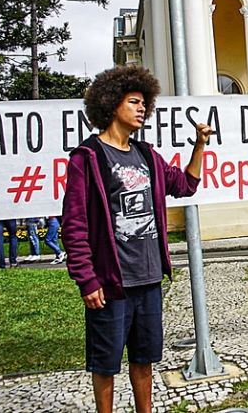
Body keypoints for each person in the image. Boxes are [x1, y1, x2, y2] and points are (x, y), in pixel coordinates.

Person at [61, 66, 211, 413]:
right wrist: (87, 279)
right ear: (112, 104)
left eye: (144, 103)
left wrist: (200, 144)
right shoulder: (89, 158)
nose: (142, 108)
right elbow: (74, 225)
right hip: (111, 284)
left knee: (144, 359)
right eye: (134, 101)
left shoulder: (147, 156)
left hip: (148, 280)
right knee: (105, 363)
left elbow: (186, 184)